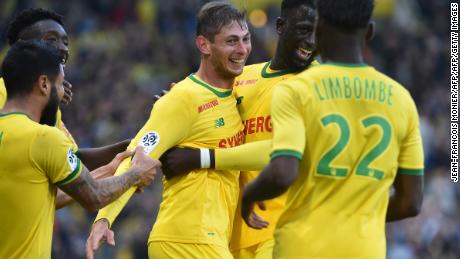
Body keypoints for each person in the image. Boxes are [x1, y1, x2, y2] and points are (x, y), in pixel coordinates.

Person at [241, 0, 424, 258]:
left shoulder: (297, 90)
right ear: (369, 32)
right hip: (365, 250)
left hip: (301, 247)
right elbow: (410, 203)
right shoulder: (401, 99)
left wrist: (249, 196)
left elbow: (282, 173)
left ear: (321, 27)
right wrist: (362, 214)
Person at [85, 2, 251, 258]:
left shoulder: (239, 94)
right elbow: (135, 157)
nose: (242, 49)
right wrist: (104, 219)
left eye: (246, 39)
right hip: (186, 240)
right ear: (204, 45)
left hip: (209, 239)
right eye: (231, 41)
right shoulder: (182, 98)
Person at [160, 1, 317, 258]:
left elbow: (282, 152)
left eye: (319, 33)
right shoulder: (242, 78)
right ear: (280, 26)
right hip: (232, 233)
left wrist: (199, 158)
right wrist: (177, 103)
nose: (311, 41)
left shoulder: (316, 84)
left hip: (287, 229)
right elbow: (209, 114)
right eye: (304, 30)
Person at [0, 40, 161, 259]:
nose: (62, 94)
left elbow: (48, 198)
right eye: (60, 85)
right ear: (44, 84)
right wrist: (135, 174)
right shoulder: (42, 137)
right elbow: (93, 196)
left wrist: (107, 170)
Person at [0, 8, 131, 172]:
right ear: (22, 47)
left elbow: (70, 159)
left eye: (66, 42)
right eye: (51, 40)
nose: (63, 48)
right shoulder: (3, 91)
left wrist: (128, 148)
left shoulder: (51, 109)